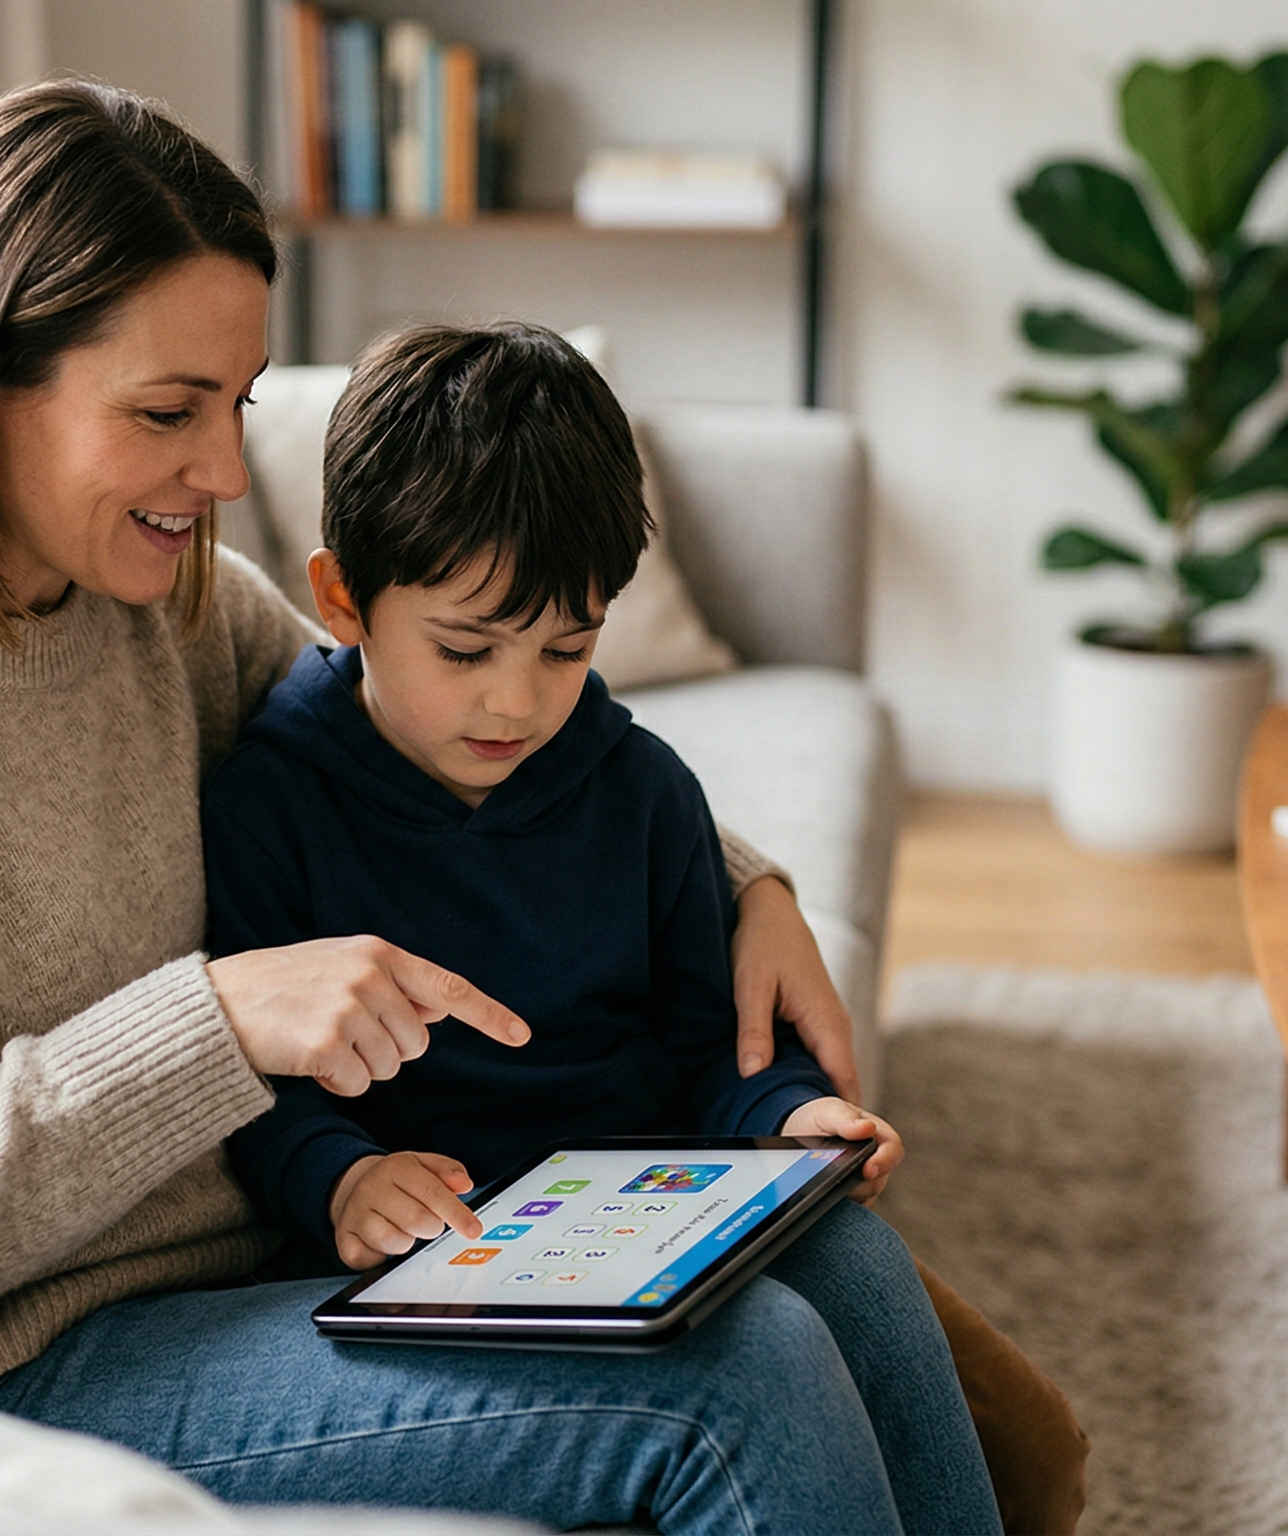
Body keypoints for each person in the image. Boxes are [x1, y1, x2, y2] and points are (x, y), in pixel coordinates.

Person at [0, 76, 1056, 1533]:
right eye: (168, 411)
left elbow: (430, 724)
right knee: (733, 1374)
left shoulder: (138, 599)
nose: (227, 471)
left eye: (233, 404)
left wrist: (745, 884)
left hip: (255, 1269)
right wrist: (217, 1019)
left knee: (842, 1261)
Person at [201, 321, 993, 1533]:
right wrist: (341, 1175)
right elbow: (251, 1079)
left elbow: (707, 1045)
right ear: (341, 600)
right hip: (435, 1253)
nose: (514, 700)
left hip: (634, 1210)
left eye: (567, 649)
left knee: (865, 1268)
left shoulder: (643, 789)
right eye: (464, 650)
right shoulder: (270, 801)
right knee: (765, 1354)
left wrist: (791, 1117)